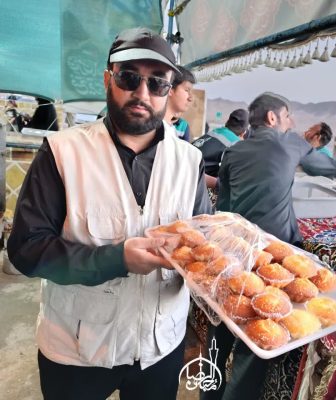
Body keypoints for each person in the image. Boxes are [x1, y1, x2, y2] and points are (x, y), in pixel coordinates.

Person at [8, 27, 211, 400]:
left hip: (160, 347)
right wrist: (117, 259)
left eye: (157, 83)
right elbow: (26, 250)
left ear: (169, 90)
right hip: (76, 349)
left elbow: (203, 242)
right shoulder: (62, 153)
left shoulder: (189, 161)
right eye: (129, 77)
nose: (142, 93)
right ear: (108, 79)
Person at [201, 92, 336, 400]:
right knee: (256, 341)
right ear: (273, 118)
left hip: (235, 252)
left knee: (219, 330)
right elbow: (327, 168)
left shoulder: (233, 151)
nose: (291, 123)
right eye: (287, 116)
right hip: (272, 261)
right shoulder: (289, 143)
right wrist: (307, 145)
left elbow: (224, 203)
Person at [192, 109, 249, 177]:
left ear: (227, 122)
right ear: (243, 133)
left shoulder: (215, 131)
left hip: (185, 167)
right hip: (194, 175)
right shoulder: (235, 144)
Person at [164, 65, 196, 141]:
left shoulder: (176, 128)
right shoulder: (150, 125)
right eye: (187, 90)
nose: (190, 98)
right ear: (170, 89)